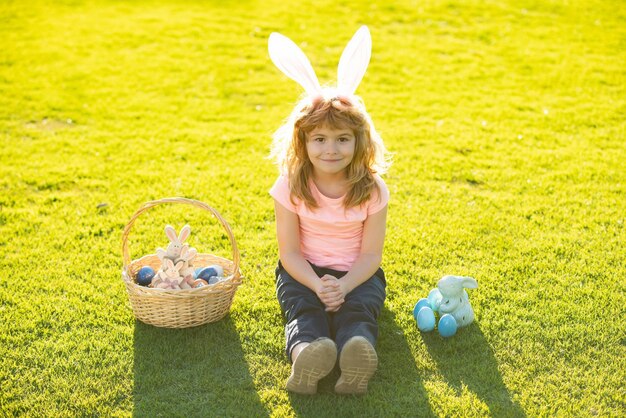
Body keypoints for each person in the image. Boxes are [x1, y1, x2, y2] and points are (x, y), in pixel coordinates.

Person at [267, 26, 392, 395]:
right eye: (319, 139)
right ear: (302, 142)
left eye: (342, 139)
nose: (331, 149)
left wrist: (344, 285)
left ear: (359, 141)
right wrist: (317, 284)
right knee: (304, 312)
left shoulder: (372, 190)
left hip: (358, 274)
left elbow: (371, 254)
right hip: (303, 272)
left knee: (359, 311)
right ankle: (309, 353)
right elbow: (289, 252)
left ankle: (357, 354)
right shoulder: (290, 186)